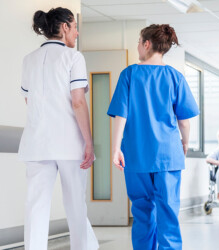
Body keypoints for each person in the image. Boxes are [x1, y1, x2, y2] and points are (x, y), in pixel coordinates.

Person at [107, 24, 199, 250]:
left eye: (139, 42)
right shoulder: (174, 77)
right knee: (168, 212)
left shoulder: (129, 74)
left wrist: (116, 149)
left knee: (142, 211)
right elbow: (184, 121)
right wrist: (185, 143)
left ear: (147, 44)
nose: (138, 46)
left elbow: (121, 115)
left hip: (136, 156)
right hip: (168, 156)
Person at [18, 7, 98, 250]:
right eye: (75, 28)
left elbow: (28, 100)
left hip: (36, 143)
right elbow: (78, 101)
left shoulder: (28, 60)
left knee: (36, 207)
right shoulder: (74, 58)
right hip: (68, 144)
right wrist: (89, 143)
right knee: (75, 206)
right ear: (65, 27)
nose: (76, 33)